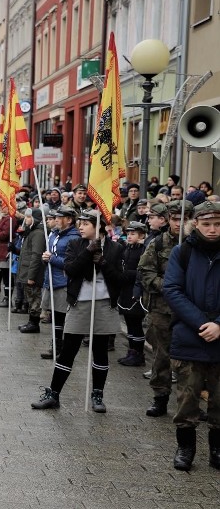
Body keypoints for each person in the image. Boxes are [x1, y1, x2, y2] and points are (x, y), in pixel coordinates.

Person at [32, 209, 124, 413]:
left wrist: (103, 263)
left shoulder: (115, 248)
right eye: (79, 223)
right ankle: (53, 393)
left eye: (85, 224)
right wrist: (89, 251)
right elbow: (71, 270)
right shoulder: (75, 244)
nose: (80, 227)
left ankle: (97, 395)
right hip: (79, 302)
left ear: (98, 225)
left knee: (100, 351)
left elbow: (119, 279)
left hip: (104, 303)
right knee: (68, 350)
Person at [163, 200, 220, 471]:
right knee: (187, 398)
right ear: (195, 224)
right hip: (190, 337)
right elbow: (172, 290)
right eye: (206, 224)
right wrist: (202, 323)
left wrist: (219, 324)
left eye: (218, 224)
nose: (212, 229)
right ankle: (185, 447)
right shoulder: (182, 252)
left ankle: (217, 449)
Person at [139, 200, 193, 417]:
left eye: (185, 219)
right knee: (162, 356)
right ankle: (160, 397)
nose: (179, 223)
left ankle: (191, 401)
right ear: (168, 219)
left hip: (192, 311)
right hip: (163, 309)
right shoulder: (158, 243)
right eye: (175, 219)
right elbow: (145, 272)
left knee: (192, 360)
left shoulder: (199, 244)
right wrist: (169, 287)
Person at [40, 208, 80, 359]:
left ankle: (63, 348)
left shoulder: (74, 237)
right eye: (55, 217)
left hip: (64, 282)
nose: (55, 219)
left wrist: (52, 259)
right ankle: (55, 345)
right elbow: (50, 254)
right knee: (55, 316)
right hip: (51, 279)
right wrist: (45, 258)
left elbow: (73, 263)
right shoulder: (54, 234)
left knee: (64, 316)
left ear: (69, 220)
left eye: (59, 217)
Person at [116, 222, 148, 367]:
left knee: (136, 324)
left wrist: (126, 273)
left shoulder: (143, 250)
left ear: (141, 236)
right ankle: (132, 351)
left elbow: (143, 271)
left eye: (133, 234)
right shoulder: (127, 248)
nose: (129, 236)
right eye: (128, 233)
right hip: (125, 290)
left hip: (135, 291)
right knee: (129, 323)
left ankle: (138, 353)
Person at [17, 208, 46, 334]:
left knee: (34, 297)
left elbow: (36, 255)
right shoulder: (31, 231)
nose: (26, 219)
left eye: (29, 217)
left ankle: (34, 323)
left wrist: (31, 275)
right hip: (26, 269)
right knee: (30, 296)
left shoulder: (38, 233)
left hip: (32, 272)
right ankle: (30, 321)